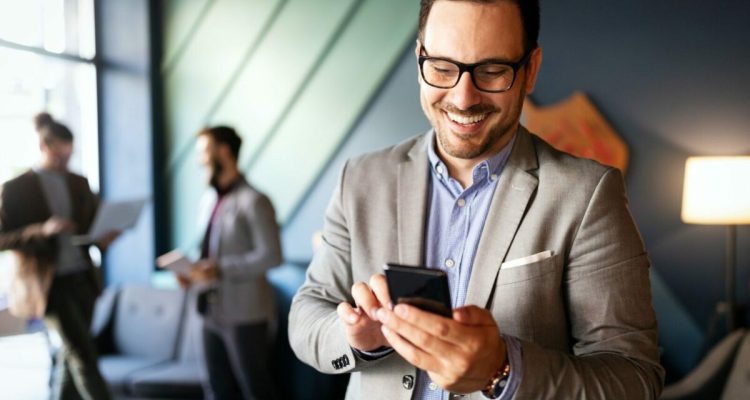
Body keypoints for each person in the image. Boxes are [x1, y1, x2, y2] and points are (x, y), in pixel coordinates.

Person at [288, 0, 664, 399]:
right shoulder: (360, 179)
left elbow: (634, 379)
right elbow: (308, 312)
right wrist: (356, 337)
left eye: (491, 70)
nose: (463, 98)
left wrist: (503, 370)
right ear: (420, 59)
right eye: (443, 68)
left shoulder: (588, 194)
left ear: (530, 69)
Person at [0, 113, 117, 400]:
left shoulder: (78, 182)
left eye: (69, 156)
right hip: (49, 283)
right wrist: (42, 230)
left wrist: (103, 237)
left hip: (82, 277)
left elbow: (91, 227)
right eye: (59, 156)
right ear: (44, 146)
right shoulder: (16, 189)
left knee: (72, 352)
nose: (65, 163)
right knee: (84, 354)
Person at [177, 126, 282, 400]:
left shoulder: (255, 201)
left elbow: (272, 255)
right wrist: (190, 273)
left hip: (245, 314)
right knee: (217, 389)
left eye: (204, 151)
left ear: (223, 151)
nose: (199, 159)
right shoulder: (209, 200)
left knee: (256, 390)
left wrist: (221, 269)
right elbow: (206, 250)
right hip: (209, 311)